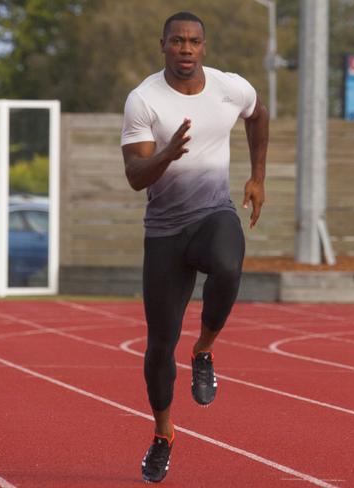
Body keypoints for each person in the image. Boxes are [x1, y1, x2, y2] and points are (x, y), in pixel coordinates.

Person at [120, 10, 268, 484]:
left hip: (211, 214)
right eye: (177, 41)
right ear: (162, 44)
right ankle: (163, 434)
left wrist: (257, 177)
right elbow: (134, 177)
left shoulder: (229, 88)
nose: (186, 49)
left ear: (204, 47)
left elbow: (258, 115)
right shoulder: (144, 100)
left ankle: (203, 351)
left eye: (194, 42)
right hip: (164, 232)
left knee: (228, 263)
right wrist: (166, 154)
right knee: (159, 347)